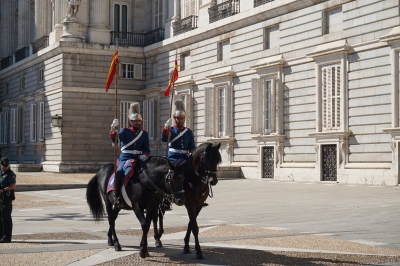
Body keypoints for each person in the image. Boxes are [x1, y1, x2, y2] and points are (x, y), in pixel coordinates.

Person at [110, 102, 150, 209]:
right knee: (119, 173)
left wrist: (145, 155)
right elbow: (115, 141)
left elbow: (146, 149)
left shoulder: (144, 134)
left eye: (139, 121)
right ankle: (117, 197)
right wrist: (113, 129)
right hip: (125, 158)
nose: (137, 123)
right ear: (130, 122)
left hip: (139, 159)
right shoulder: (124, 131)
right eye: (135, 121)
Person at [161, 100, 196, 210]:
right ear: (174, 119)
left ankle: (196, 196)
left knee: (194, 174)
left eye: (182, 118)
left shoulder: (188, 132)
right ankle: (166, 199)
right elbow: (163, 142)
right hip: (173, 158)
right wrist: (165, 129)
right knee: (168, 177)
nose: (180, 120)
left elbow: (192, 147)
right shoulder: (171, 130)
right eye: (178, 118)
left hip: (185, 158)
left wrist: (192, 156)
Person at [0, 157, 16, 243]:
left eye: (6, 167)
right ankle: (1, 235)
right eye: (3, 167)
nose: (4, 168)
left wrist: (3, 190)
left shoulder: (10, 174)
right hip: (0, 199)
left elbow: (13, 185)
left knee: (6, 217)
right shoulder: (0, 173)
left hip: (6, 198)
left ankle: (7, 236)